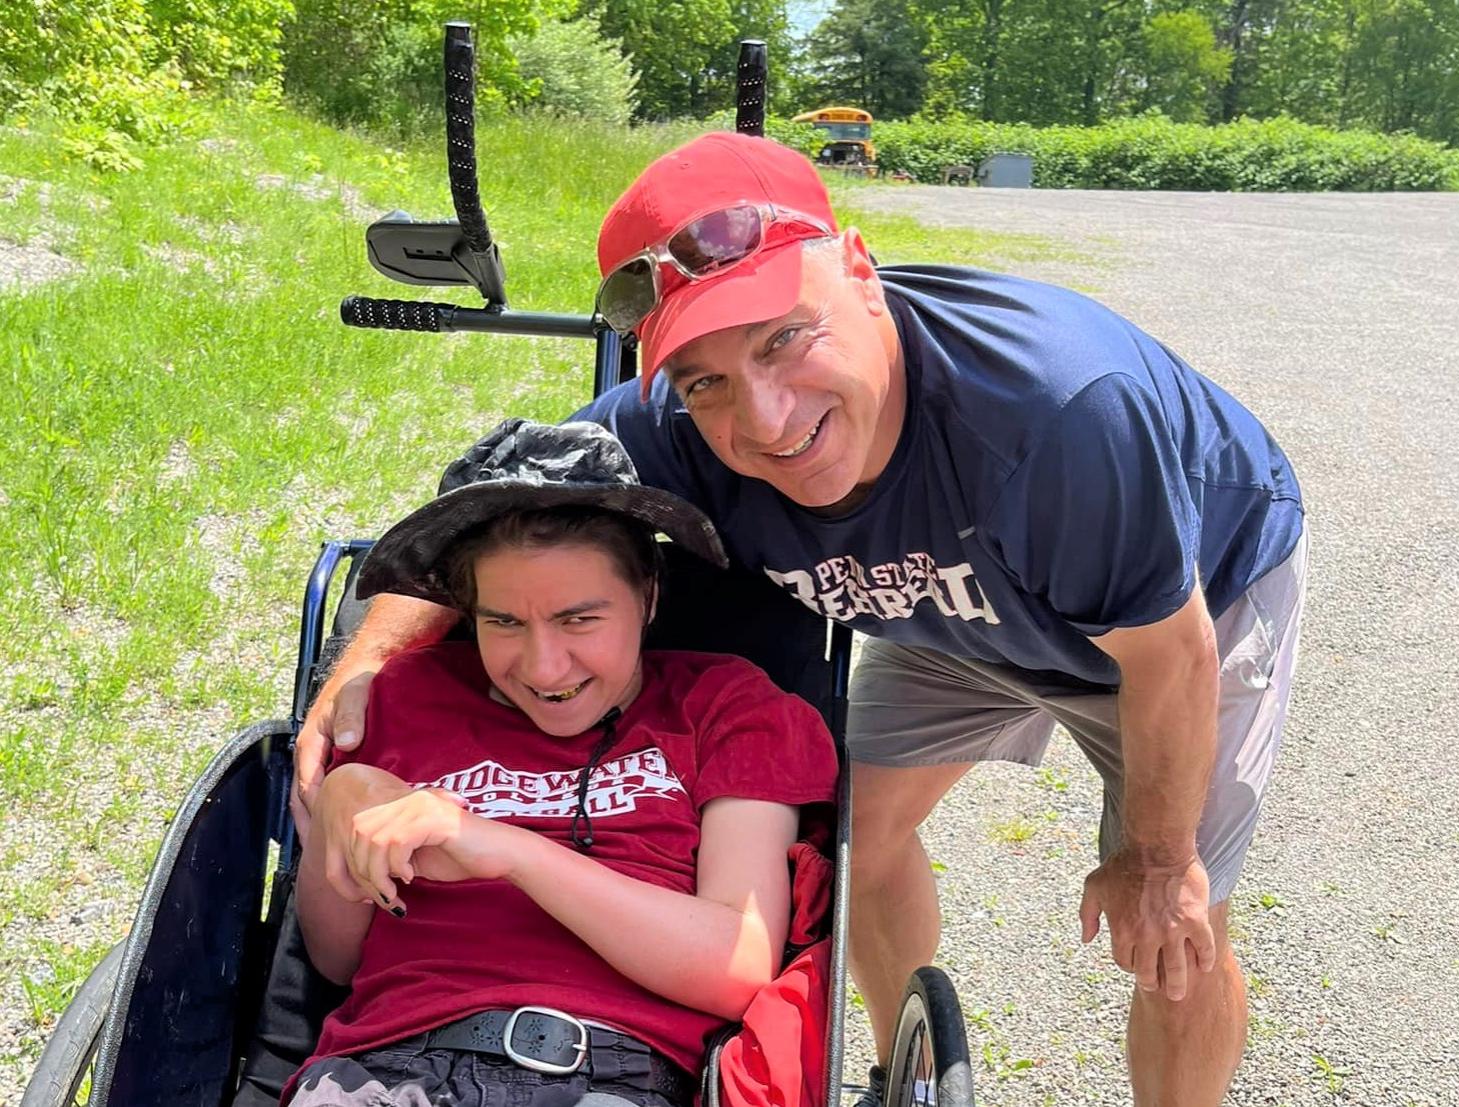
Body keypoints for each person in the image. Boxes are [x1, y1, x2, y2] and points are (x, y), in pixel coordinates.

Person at [296, 134, 1308, 1107]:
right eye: (708, 382)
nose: (766, 420)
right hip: (945, 608)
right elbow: (499, 511)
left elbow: (1171, 655)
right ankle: (884, 1067)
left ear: (860, 271)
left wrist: (1158, 857)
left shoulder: (1056, 411)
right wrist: (361, 667)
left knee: (1177, 930)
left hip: (1171, 621)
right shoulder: (670, 430)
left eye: (784, 339)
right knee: (859, 844)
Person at [290, 417, 838, 1107]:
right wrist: (341, 807)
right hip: (380, 1067)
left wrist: (503, 849)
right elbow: (336, 959)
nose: (544, 666)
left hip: (608, 1072)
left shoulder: (726, 707)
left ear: (648, 595)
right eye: (503, 622)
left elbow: (739, 964)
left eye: (579, 619)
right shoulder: (405, 696)